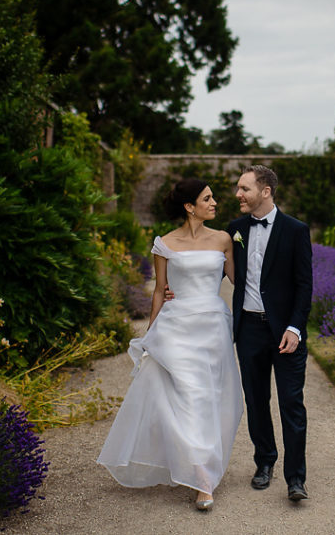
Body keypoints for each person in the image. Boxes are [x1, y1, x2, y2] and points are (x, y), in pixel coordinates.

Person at [97, 178, 242, 512]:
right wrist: (151, 336)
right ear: (189, 207)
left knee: (214, 399)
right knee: (191, 398)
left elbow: (237, 279)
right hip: (177, 328)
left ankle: (200, 465)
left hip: (213, 327)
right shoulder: (164, 243)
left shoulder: (223, 239)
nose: (215, 202)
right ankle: (203, 480)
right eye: (208, 198)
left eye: (213, 198)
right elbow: (160, 290)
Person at [227, 164, 312, 502]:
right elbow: (211, 268)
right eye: (238, 188)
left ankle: (296, 478)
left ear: (265, 191)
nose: (238, 195)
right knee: (256, 401)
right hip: (249, 330)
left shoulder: (295, 230)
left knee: (292, 403)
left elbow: (304, 286)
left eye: (244, 188)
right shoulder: (234, 230)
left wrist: (295, 327)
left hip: (285, 333)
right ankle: (264, 462)